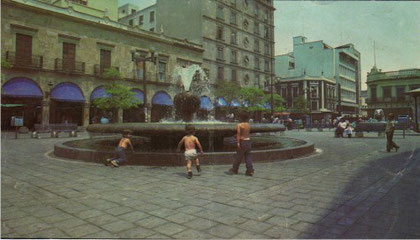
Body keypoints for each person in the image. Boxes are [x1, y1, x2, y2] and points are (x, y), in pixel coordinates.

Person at [230, 111, 254, 176]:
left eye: (239, 117)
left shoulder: (239, 125)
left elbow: (238, 135)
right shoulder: (248, 125)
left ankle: (234, 169)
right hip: (248, 141)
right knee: (248, 156)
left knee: (238, 156)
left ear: (241, 118)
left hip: (242, 141)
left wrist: (238, 143)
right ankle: (250, 170)